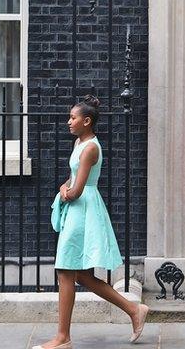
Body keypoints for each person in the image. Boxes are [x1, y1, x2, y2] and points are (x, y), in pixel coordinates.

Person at [34, 95, 149, 349]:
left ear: (86, 121)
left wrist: (66, 191)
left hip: (82, 210)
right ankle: (133, 309)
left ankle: (63, 338)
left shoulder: (91, 148)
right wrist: (64, 186)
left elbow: (77, 189)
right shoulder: (80, 142)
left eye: (73, 118)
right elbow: (72, 178)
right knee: (82, 276)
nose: (68, 122)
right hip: (78, 209)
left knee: (65, 270)